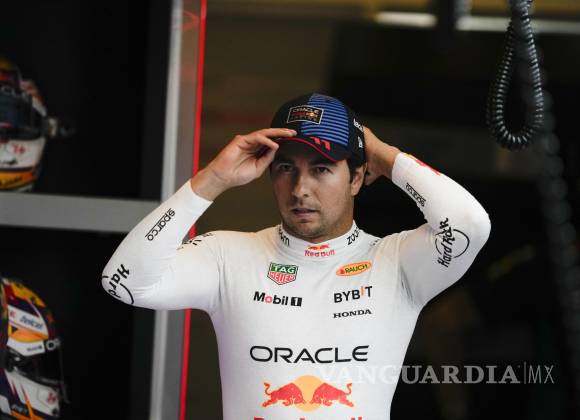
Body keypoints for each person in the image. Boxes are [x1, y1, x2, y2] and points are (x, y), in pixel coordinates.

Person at [101, 93, 491, 420]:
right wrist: (213, 180)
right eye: (286, 167)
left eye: (321, 169)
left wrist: (383, 155)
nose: (300, 188)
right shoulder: (227, 255)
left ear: (357, 178)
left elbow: (469, 224)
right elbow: (124, 282)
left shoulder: (397, 263)